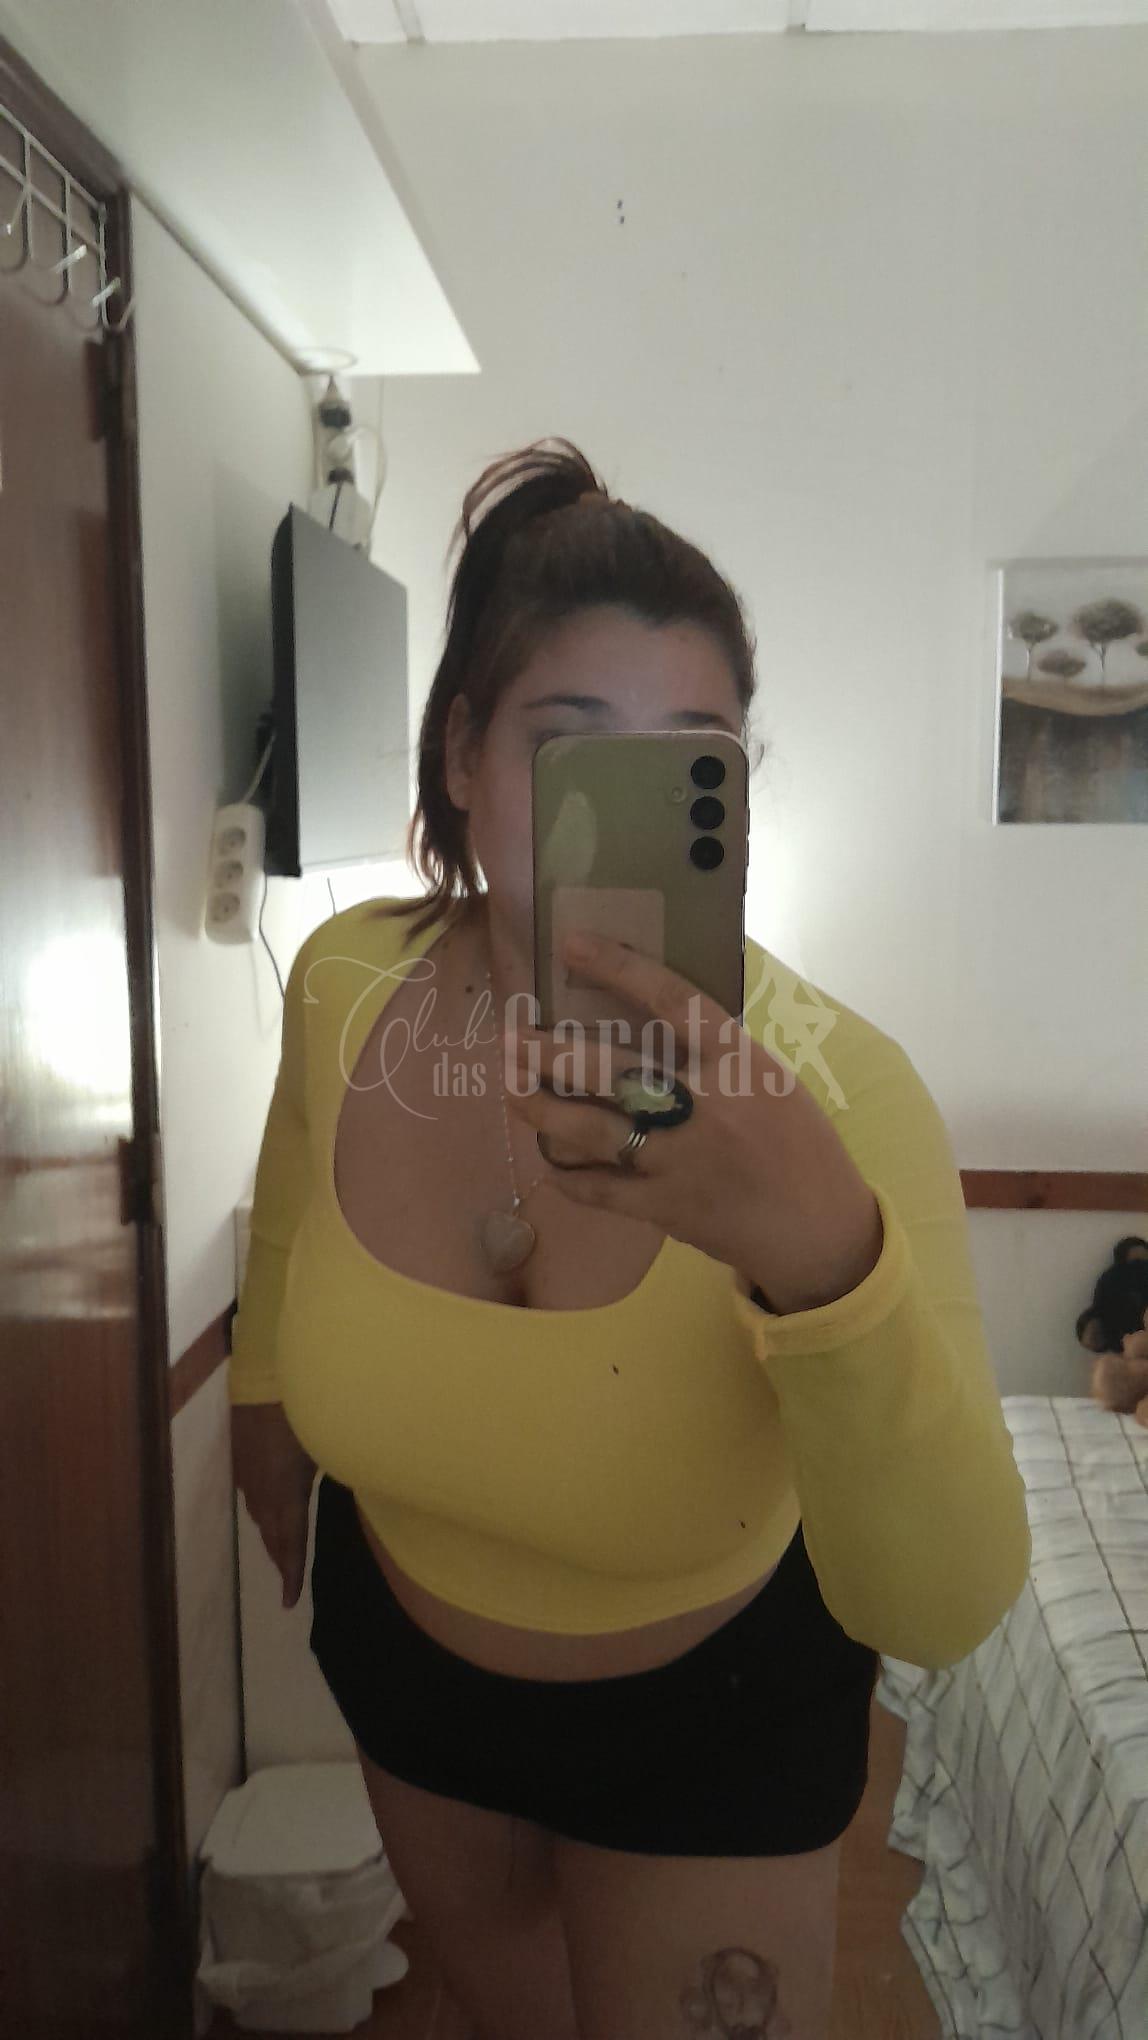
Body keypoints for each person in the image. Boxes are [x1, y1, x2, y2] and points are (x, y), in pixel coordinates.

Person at [229, 437, 1031, 2040]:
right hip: (411, 1680)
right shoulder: (344, 983)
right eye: (570, 746)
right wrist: (263, 1404)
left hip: (714, 1727)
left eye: (690, 765)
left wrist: (824, 1255)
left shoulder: (838, 1091)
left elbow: (944, 1605)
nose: (626, 816)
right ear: (463, 755)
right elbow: (293, 1196)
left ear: (735, 800)